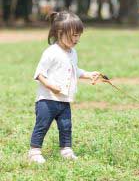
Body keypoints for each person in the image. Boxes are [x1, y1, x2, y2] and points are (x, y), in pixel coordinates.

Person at [28, 11, 100, 163]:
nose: (77, 39)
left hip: (64, 100)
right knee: (42, 125)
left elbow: (75, 70)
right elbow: (39, 74)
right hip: (47, 100)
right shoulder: (51, 52)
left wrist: (88, 74)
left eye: (79, 35)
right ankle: (34, 152)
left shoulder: (73, 52)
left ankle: (66, 150)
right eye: (73, 35)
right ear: (60, 32)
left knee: (66, 126)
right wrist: (51, 86)